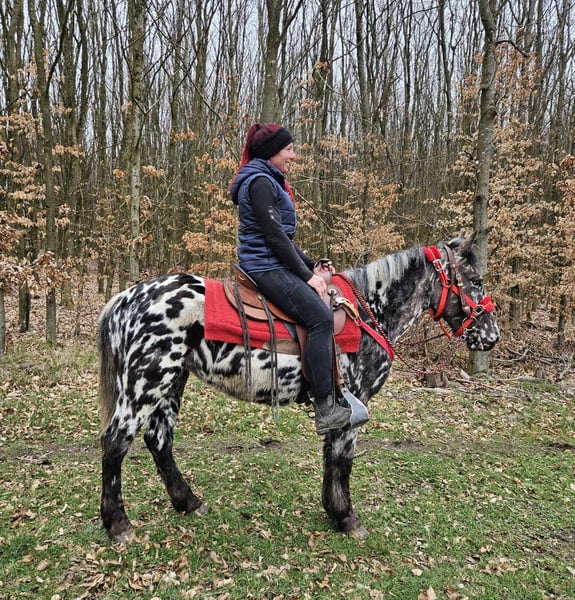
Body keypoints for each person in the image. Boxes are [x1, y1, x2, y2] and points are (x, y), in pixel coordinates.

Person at [230, 122, 369, 435]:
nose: (293, 156)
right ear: (272, 152)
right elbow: (275, 238)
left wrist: (311, 264)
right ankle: (326, 408)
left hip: (270, 261)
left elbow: (284, 238)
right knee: (320, 318)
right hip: (264, 267)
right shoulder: (261, 182)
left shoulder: (267, 179)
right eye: (289, 149)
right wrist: (307, 276)